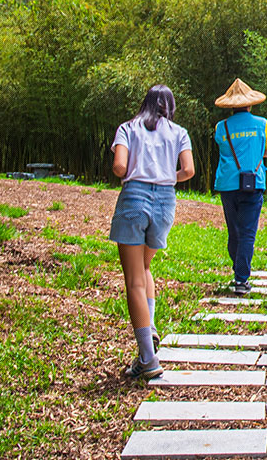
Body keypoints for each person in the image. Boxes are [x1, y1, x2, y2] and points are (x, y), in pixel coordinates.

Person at [109, 84, 194, 380]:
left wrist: (134, 168)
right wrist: (165, 175)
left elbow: (120, 166)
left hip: (134, 198)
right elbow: (189, 170)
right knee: (145, 266)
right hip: (165, 203)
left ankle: (148, 358)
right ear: (169, 107)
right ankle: (152, 328)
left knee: (133, 280)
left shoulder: (128, 128)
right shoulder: (179, 132)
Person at [212, 78, 267, 295]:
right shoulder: (262, 123)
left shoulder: (222, 127)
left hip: (228, 184)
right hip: (254, 182)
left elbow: (223, 148)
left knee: (234, 230)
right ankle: (241, 279)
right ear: (250, 104)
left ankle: (238, 270)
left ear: (231, 106)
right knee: (248, 232)